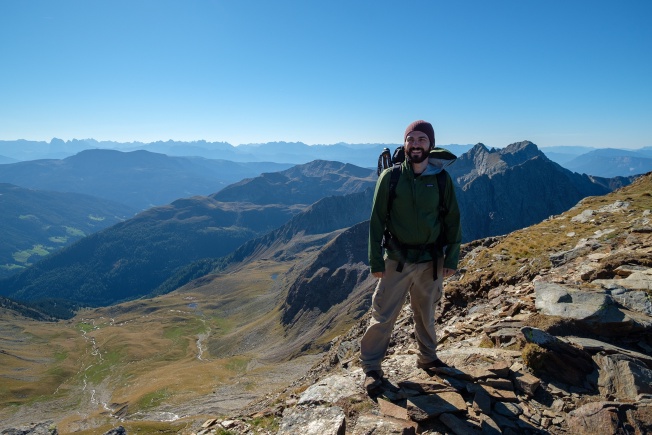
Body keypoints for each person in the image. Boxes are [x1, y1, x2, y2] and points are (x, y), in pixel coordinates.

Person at [361, 120, 462, 393]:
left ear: (430, 144)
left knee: (426, 313)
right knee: (382, 315)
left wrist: (451, 258)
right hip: (396, 258)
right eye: (411, 139)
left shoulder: (441, 179)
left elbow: (452, 219)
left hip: (431, 261)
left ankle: (428, 359)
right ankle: (371, 368)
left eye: (421, 139)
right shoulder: (390, 178)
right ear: (405, 144)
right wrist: (375, 260)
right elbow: (376, 221)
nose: (415, 144)